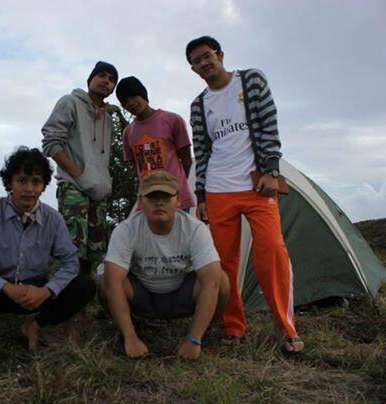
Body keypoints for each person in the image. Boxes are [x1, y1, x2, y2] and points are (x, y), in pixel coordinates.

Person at [186, 35, 303, 353]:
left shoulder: (250, 80)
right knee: (224, 263)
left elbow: (269, 123)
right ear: (193, 69)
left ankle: (287, 328)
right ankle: (233, 327)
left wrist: (271, 170)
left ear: (220, 55)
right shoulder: (199, 105)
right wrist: (202, 196)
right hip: (218, 189)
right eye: (196, 61)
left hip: (257, 185)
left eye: (207, 56)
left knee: (272, 252)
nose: (203, 63)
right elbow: (202, 149)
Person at [0, 147, 96, 366]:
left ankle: (35, 325)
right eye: (22, 181)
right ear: (10, 183)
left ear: (43, 186)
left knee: (85, 285)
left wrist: (46, 291)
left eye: (36, 182)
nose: (29, 189)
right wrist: (4, 286)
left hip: (34, 293)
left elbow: (69, 262)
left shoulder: (53, 219)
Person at [100, 171, 229, 360]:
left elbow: (212, 282)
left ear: (178, 200)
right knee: (105, 281)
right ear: (141, 201)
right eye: (152, 197)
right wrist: (130, 338)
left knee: (221, 281)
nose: (159, 203)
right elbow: (113, 281)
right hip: (142, 296)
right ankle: (128, 332)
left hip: (181, 295)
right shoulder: (126, 229)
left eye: (166, 197)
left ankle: (204, 334)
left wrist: (193, 339)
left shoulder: (195, 229)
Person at [41, 61, 118, 331]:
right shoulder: (70, 102)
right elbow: (51, 141)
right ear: (90, 79)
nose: (106, 81)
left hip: (99, 194)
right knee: (71, 254)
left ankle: (77, 309)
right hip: (74, 189)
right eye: (101, 75)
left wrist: (98, 183)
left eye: (111, 79)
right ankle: (62, 317)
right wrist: (79, 175)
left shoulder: (107, 117)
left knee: (91, 257)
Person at [115, 76, 195, 212]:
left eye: (134, 96)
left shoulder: (172, 120)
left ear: (143, 94)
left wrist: (177, 186)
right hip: (147, 201)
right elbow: (137, 168)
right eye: (126, 102)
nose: (131, 103)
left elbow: (187, 160)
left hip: (175, 199)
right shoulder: (128, 133)